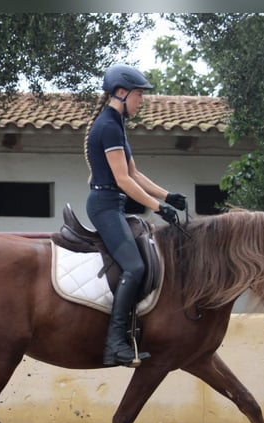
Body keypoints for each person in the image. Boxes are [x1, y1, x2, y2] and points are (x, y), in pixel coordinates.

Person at [83, 63, 187, 367]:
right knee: (135, 268)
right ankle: (116, 344)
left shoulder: (116, 124)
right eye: (139, 95)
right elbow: (122, 181)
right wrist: (158, 208)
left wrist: (168, 196)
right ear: (120, 92)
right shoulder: (108, 125)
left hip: (112, 204)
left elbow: (134, 173)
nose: (142, 101)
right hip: (104, 206)